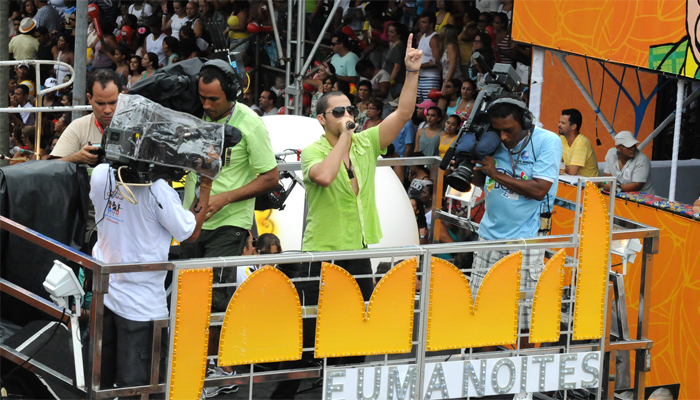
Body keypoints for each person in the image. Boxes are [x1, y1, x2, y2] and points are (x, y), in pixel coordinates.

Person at [180, 59, 278, 386]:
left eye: (213, 100)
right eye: (202, 98)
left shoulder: (251, 124)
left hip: (230, 222)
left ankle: (215, 369)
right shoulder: (197, 115)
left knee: (214, 298)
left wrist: (224, 198)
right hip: (190, 220)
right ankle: (191, 363)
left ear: (232, 93)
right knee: (187, 295)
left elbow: (270, 178)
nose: (206, 106)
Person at [90, 157, 213, 393]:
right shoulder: (158, 191)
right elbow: (191, 232)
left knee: (99, 386)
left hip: (104, 297)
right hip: (142, 310)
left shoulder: (101, 174)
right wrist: (205, 182)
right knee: (140, 391)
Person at [466, 94, 562, 337]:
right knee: (483, 310)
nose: (503, 138)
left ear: (527, 123)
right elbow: (480, 179)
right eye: (498, 131)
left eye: (509, 130)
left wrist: (496, 174)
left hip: (526, 240)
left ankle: (525, 369)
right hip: (489, 236)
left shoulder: (547, 142)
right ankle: (483, 363)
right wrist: (472, 161)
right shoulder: (493, 140)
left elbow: (540, 190)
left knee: (525, 321)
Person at [50, 69, 121, 163]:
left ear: (122, 96)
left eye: (113, 103)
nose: (107, 110)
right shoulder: (78, 127)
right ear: (89, 98)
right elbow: (52, 166)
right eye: (100, 103)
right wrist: (76, 158)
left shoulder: (137, 127)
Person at [557, 108, 599, 177]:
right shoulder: (562, 138)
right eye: (559, 122)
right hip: (572, 182)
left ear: (573, 126)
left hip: (588, 185)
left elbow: (572, 171)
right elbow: (557, 161)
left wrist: (560, 167)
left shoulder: (581, 142)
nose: (559, 125)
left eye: (563, 123)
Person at [416, 12, 441, 102]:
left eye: (424, 22)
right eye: (420, 22)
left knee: (429, 105)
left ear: (431, 24)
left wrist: (419, 66)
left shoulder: (434, 38)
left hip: (431, 78)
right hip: (421, 77)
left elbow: (436, 61)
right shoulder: (422, 36)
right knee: (419, 106)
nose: (421, 25)